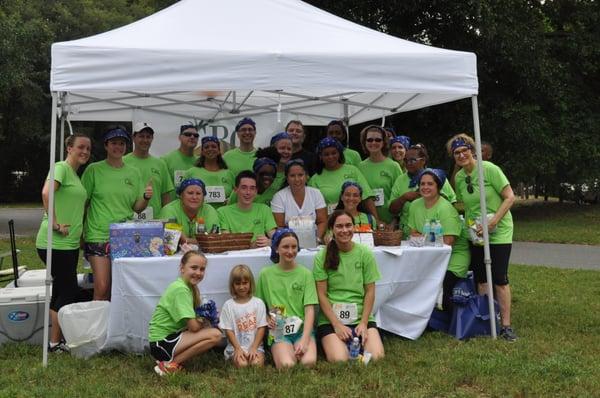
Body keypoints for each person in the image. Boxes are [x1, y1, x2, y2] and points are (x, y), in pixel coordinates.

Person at [448, 134, 517, 341]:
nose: (461, 155)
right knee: (480, 277)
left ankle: (505, 326)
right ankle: (487, 319)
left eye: (464, 151)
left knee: (499, 278)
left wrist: (494, 220)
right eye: (456, 153)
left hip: (499, 230)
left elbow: (510, 197)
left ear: (472, 150)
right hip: (476, 232)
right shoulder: (460, 177)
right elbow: (465, 204)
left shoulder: (489, 169)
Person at [82, 127, 153, 300]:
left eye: (122, 143)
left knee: (120, 287)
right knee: (102, 285)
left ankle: (113, 326)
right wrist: (79, 233)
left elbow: (137, 208)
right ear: (106, 146)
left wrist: (146, 197)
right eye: (114, 143)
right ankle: (96, 326)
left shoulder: (133, 172)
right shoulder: (94, 170)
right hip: (98, 234)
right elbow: (83, 202)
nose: (118, 147)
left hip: (124, 236)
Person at [35, 133, 91, 353]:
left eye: (88, 148)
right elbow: (47, 192)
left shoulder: (76, 175)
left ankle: (55, 341)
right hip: (55, 243)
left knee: (60, 289)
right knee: (68, 290)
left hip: (68, 244)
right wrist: (55, 224)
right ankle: (56, 342)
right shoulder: (60, 167)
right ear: (69, 148)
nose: (85, 151)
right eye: (80, 147)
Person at [313, 210, 384, 362]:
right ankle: (348, 347)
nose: (344, 230)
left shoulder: (365, 253)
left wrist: (364, 322)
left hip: (360, 317)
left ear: (354, 227)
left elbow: (370, 291)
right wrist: (337, 324)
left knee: (377, 357)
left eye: (348, 225)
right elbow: (321, 295)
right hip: (331, 319)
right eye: (339, 226)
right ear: (332, 229)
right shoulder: (322, 256)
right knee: (340, 359)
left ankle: (357, 345)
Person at [148, 251, 222, 375]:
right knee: (215, 335)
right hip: (161, 343)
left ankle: (169, 362)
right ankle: (168, 365)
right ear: (182, 268)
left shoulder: (187, 287)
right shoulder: (181, 289)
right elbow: (193, 327)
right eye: (194, 268)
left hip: (166, 339)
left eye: (202, 269)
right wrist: (203, 319)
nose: (198, 273)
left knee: (211, 330)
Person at [407, 169, 470, 312]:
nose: (425, 187)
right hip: (428, 255)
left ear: (438, 187)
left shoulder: (446, 208)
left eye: (430, 184)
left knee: (445, 285)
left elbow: (447, 241)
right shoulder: (414, 205)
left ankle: (446, 317)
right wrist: (429, 237)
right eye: (422, 184)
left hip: (453, 256)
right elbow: (412, 232)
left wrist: (422, 238)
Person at [256, 228, 318, 368]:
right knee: (287, 365)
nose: (290, 251)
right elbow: (258, 304)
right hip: (278, 329)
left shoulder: (306, 274)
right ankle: (283, 350)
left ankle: (297, 346)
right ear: (276, 249)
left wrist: (305, 339)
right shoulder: (265, 274)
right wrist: (266, 318)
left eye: (294, 247)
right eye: (285, 247)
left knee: (308, 362)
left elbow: (309, 310)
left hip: (301, 329)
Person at [389, 143, 456, 237]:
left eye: (412, 160)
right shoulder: (400, 180)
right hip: (407, 236)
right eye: (406, 160)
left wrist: (427, 195)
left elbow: (451, 203)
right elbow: (392, 210)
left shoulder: (436, 176)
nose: (408, 163)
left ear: (423, 160)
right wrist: (404, 198)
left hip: (435, 235)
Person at [308, 137, 379, 220]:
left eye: (334, 153)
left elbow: (366, 197)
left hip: (357, 221)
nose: (330, 157)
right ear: (320, 156)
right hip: (331, 223)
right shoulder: (314, 180)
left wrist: (376, 220)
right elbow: (313, 209)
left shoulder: (353, 170)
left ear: (339, 153)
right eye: (326, 154)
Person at [219, 264, 268, 368]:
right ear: (232, 285)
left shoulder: (258, 303)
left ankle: (256, 354)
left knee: (256, 364)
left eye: (245, 283)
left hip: (256, 347)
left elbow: (261, 327)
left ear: (250, 283)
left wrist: (254, 347)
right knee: (242, 365)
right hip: (235, 347)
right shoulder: (228, 305)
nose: (241, 287)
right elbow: (228, 330)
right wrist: (237, 348)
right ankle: (234, 356)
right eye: (237, 284)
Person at [123, 122, 174, 219]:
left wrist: (168, 219)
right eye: (141, 136)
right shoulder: (123, 162)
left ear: (152, 139)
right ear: (134, 138)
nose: (145, 140)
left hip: (155, 221)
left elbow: (166, 196)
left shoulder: (160, 164)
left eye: (148, 137)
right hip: (128, 221)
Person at [271, 159, 327, 242]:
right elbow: (280, 226)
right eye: (292, 176)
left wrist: (316, 239)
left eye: (300, 175)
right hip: (288, 242)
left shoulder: (316, 193)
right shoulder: (279, 197)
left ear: (306, 176)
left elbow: (322, 221)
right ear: (287, 178)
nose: (297, 179)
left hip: (314, 241)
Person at [218, 170, 277, 247]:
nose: (248, 192)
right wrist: (251, 245)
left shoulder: (264, 209)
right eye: (244, 188)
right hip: (234, 256)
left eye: (252, 188)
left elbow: (274, 235)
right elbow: (227, 241)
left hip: (260, 255)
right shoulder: (222, 212)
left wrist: (271, 242)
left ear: (256, 191)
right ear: (236, 190)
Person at [359, 125, 403, 225]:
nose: (373, 143)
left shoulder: (394, 166)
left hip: (391, 224)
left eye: (378, 140)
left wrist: (394, 222)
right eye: (369, 140)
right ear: (364, 142)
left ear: (383, 142)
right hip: (368, 223)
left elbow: (400, 196)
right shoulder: (359, 167)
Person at [159, 178, 219, 243]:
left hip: (205, 252)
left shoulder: (209, 210)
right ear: (181, 195)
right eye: (190, 193)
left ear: (203, 197)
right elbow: (170, 239)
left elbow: (213, 238)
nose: (194, 197)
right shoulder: (169, 210)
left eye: (198, 193)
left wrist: (186, 240)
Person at [184, 136, 234, 209]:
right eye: (206, 147)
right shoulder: (191, 173)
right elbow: (182, 197)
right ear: (202, 151)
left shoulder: (229, 173)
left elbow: (236, 196)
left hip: (225, 216)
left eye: (214, 146)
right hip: (199, 217)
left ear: (219, 150)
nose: (210, 149)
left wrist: (230, 200)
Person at [161, 124, 199, 193]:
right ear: (179, 137)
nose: (192, 137)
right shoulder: (166, 160)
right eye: (188, 134)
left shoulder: (201, 162)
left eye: (196, 135)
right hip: (172, 203)